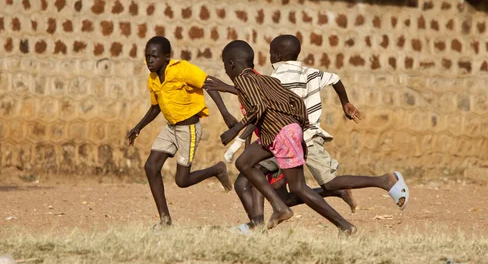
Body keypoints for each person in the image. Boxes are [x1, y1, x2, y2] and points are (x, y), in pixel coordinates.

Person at [209, 35, 410, 226]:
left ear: (276, 57)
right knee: (259, 177)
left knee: (317, 184)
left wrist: (235, 128)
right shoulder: (307, 73)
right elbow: (331, 81)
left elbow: (260, 104)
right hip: (297, 133)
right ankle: (259, 222)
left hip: (293, 136)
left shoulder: (276, 76)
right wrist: (344, 103)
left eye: (270, 53)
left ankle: (382, 182)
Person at [212, 40, 356, 233]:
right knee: (245, 162)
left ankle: (342, 225)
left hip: (280, 135)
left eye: (224, 66)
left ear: (230, 64)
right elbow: (296, 101)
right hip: (284, 132)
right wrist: (302, 128)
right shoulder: (265, 79)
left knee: (298, 188)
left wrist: (234, 130)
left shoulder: (243, 80)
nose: (226, 71)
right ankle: (277, 210)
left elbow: (259, 108)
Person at [128, 36, 236, 228]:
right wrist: (138, 127)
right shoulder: (152, 79)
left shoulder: (182, 69)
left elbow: (208, 83)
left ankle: (217, 169)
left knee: (182, 180)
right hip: (170, 128)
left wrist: (226, 114)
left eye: (154, 56)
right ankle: (165, 219)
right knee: (151, 167)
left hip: (189, 129)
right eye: (147, 56)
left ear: (166, 57)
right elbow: (155, 108)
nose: (150, 60)